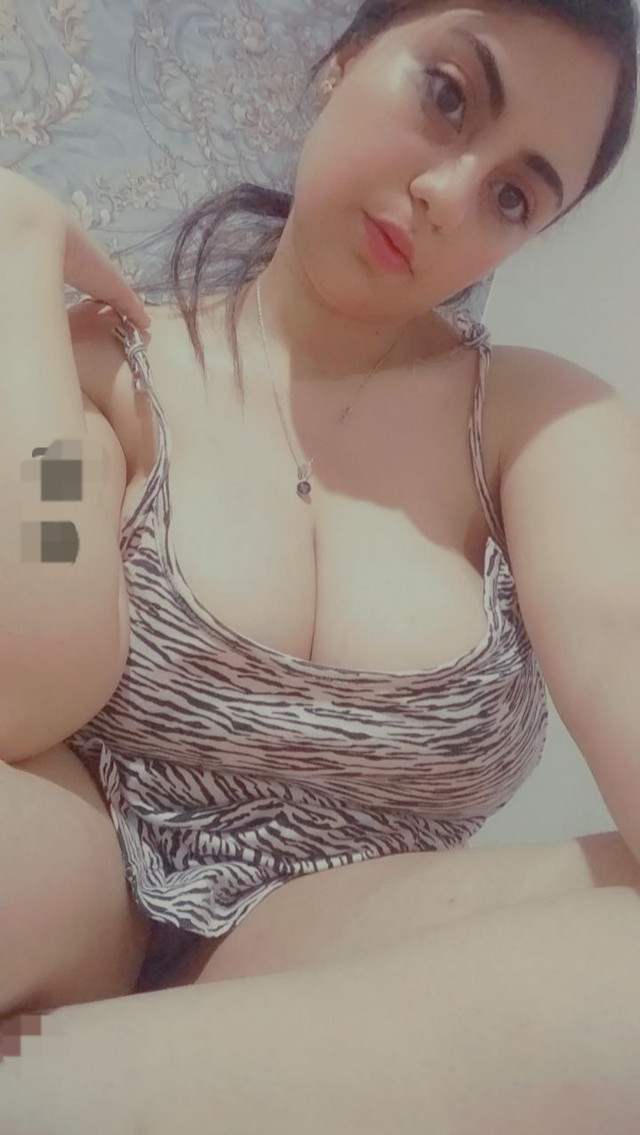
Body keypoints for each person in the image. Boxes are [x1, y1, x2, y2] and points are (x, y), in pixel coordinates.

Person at [2, 0, 640, 1130]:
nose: (448, 193)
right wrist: (17, 259)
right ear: (345, 60)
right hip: (74, 871)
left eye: (512, 196)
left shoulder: (541, 427)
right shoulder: (104, 368)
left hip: (333, 943)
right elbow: (27, 668)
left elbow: (619, 643)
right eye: (447, 96)